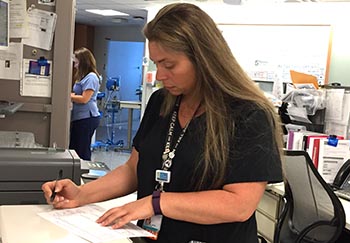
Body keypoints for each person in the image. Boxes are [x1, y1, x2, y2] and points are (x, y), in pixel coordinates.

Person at [42, 3, 283, 243]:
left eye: (169, 65)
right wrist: (82, 194)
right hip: (152, 235)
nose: (160, 75)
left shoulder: (249, 114)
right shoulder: (162, 102)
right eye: (156, 64)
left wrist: (156, 203)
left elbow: (239, 205)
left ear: (204, 58)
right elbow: (133, 170)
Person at [69, 47, 100, 161]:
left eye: (76, 63)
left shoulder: (91, 77)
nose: (75, 66)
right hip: (80, 118)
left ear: (83, 62)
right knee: (75, 147)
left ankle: (83, 173)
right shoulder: (83, 77)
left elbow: (84, 99)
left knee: (82, 150)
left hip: (87, 118)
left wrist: (68, 96)